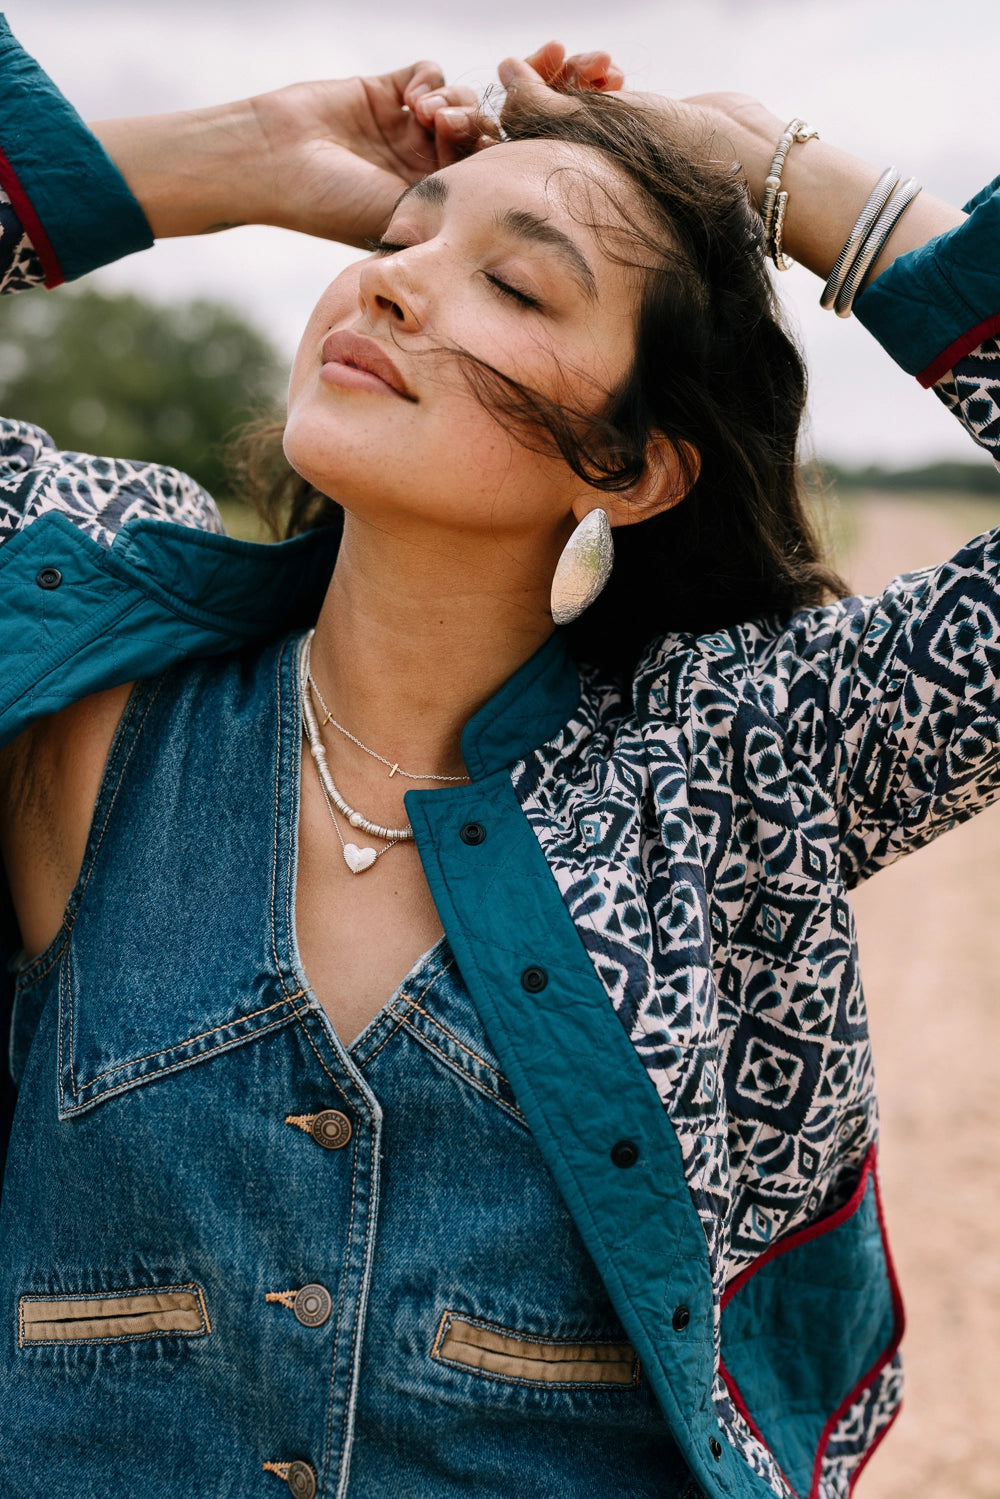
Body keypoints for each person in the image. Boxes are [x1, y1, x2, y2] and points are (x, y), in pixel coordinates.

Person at [0, 19, 997, 1499]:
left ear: (633, 464)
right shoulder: (89, 646)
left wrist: (793, 187)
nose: (395, 279)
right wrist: (232, 158)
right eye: (400, 236)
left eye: (517, 282)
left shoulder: (735, 763)